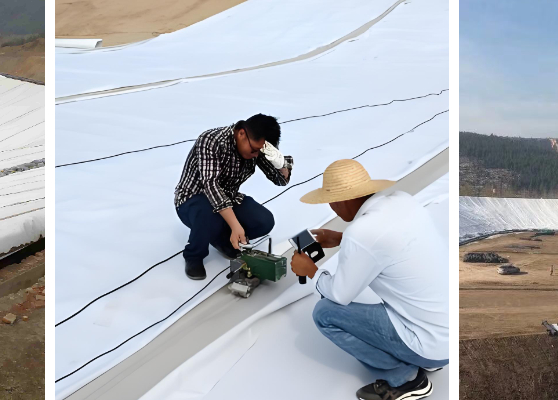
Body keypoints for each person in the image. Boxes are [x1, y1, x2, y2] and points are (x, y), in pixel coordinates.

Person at [289, 159, 447, 400]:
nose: (332, 209)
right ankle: (427, 357)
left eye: (331, 203)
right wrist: (341, 238)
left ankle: (405, 379)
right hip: (449, 332)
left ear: (342, 200)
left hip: (429, 345)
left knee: (325, 314)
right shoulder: (402, 200)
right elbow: (388, 241)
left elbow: (340, 294)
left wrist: (310, 270)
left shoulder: (362, 232)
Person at [174, 114, 292, 279]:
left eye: (261, 151)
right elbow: (211, 185)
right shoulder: (211, 140)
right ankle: (194, 255)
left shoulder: (256, 147)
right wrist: (235, 226)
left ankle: (222, 240)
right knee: (210, 216)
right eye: (254, 150)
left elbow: (279, 180)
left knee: (264, 221)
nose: (256, 155)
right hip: (193, 199)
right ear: (241, 133)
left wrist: (281, 164)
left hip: (228, 198)